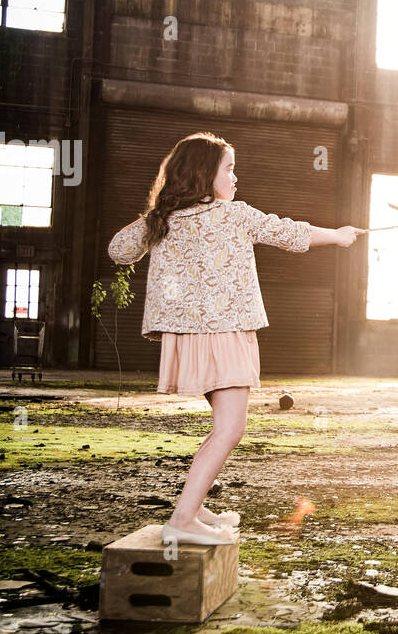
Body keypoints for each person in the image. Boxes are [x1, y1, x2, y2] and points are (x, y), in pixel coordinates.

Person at [108, 132, 362, 546]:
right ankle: (184, 518)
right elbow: (288, 233)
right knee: (231, 428)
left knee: (223, 426)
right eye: (229, 168)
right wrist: (337, 235)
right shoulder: (235, 215)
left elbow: (119, 251)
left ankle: (195, 502)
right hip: (224, 332)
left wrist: (155, 216)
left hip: (188, 336)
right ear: (204, 174)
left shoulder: (165, 219)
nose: (236, 177)